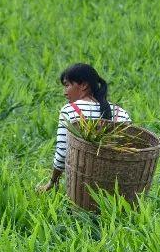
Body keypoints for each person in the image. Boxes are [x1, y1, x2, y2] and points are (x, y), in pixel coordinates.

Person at [36, 63, 131, 194]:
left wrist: (53, 181)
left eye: (67, 85)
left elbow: (63, 152)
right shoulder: (121, 112)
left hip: (83, 188)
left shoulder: (69, 110)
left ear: (84, 85)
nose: (65, 92)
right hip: (117, 186)